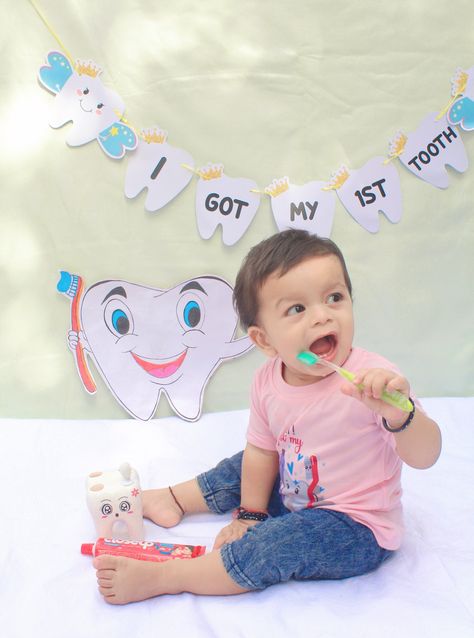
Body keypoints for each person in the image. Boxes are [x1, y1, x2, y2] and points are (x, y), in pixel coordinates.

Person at [94, 229, 442, 604]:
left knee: (276, 544)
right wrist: (251, 514)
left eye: (335, 298)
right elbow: (262, 453)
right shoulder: (267, 381)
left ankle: (168, 576)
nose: (322, 316)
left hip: (354, 526)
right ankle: (174, 499)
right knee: (246, 464)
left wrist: (400, 415)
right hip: (296, 490)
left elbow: (427, 455)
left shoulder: (375, 382)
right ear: (264, 341)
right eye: (297, 309)